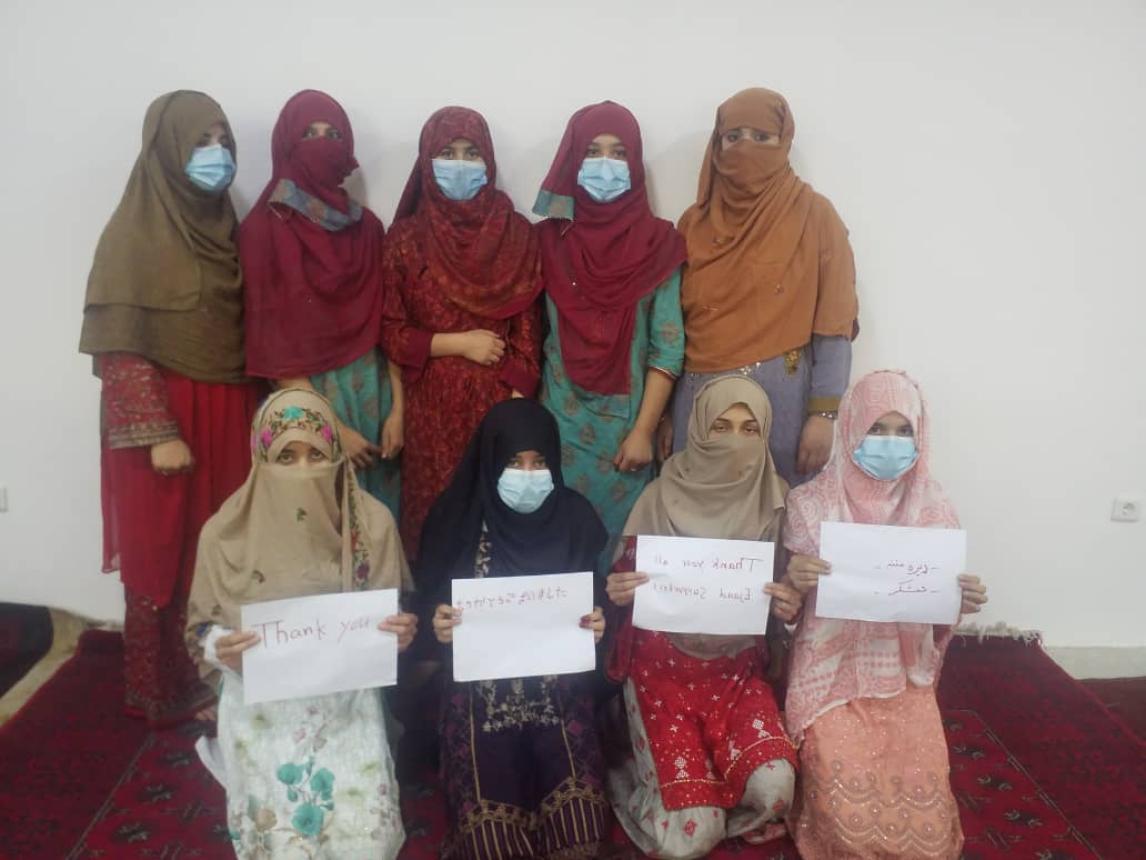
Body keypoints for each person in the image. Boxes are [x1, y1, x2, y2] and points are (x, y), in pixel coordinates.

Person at [78, 90, 261, 725]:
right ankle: (160, 688)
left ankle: (217, 678)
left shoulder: (226, 229)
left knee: (222, 548)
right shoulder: (132, 236)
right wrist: (158, 432)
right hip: (163, 425)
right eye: (200, 142)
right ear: (165, 151)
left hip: (228, 412)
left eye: (223, 141)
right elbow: (118, 347)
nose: (216, 154)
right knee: (162, 552)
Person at [185, 388, 417, 859]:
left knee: (366, 843)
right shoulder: (224, 534)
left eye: (316, 455)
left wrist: (400, 634)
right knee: (282, 845)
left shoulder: (371, 525)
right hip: (263, 707)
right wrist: (220, 648)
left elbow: (389, 617)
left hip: (345, 701)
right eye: (285, 457)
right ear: (261, 458)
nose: (302, 470)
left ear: (336, 456)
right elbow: (200, 630)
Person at [781, 370, 988, 859]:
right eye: (877, 428)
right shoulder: (809, 504)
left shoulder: (933, 506)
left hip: (901, 679)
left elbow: (934, 614)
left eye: (903, 430)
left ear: (920, 435)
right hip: (828, 681)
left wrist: (956, 602)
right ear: (851, 425)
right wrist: (795, 583)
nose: (890, 443)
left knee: (927, 835)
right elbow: (787, 615)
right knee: (846, 825)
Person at [604, 376, 803, 858]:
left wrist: (787, 606)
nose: (734, 441)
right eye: (721, 426)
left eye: (749, 429)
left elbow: (785, 596)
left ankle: (701, 788)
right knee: (690, 837)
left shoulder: (777, 499)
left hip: (736, 674)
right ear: (698, 429)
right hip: (661, 674)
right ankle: (635, 775)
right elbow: (623, 582)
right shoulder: (659, 494)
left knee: (777, 791)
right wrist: (619, 592)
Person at [420, 399, 610, 859]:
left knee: (581, 830)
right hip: (478, 698)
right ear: (490, 461)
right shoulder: (456, 519)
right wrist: (437, 625)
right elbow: (426, 609)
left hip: (559, 693)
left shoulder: (573, 518)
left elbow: (594, 599)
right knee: (491, 840)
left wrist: (598, 620)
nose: (528, 475)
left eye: (539, 462)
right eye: (514, 462)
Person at [668, 87, 859, 487]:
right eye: (733, 137)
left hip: (781, 406)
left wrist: (824, 415)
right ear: (717, 146)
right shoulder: (693, 224)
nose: (745, 147)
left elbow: (834, 324)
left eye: (761, 137)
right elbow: (670, 329)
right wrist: (665, 415)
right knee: (698, 508)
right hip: (698, 402)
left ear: (783, 142)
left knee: (776, 508)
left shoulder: (814, 215)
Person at [382, 106, 542, 561]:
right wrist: (458, 343)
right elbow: (391, 331)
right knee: (436, 523)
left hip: (496, 409)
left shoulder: (517, 235)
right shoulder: (404, 239)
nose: (460, 163)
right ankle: (437, 606)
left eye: (471, 153)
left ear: (488, 159)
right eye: (447, 152)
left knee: (497, 524)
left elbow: (529, 337)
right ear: (426, 161)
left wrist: (516, 413)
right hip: (429, 414)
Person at [533, 101, 687, 567]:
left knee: (618, 563)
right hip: (557, 425)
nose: (606, 164)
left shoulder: (659, 243)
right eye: (593, 151)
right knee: (558, 556)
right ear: (573, 159)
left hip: (626, 437)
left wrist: (643, 431)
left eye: (619, 153)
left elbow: (667, 347)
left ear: (635, 163)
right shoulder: (547, 241)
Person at [242, 89, 401, 516]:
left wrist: (398, 412)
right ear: (285, 144)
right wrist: (332, 428)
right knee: (315, 524)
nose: (322, 143)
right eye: (308, 133)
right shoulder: (264, 229)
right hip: (307, 409)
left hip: (375, 402)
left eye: (333, 134)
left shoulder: (367, 228)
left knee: (379, 523)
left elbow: (390, 324)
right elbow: (272, 348)